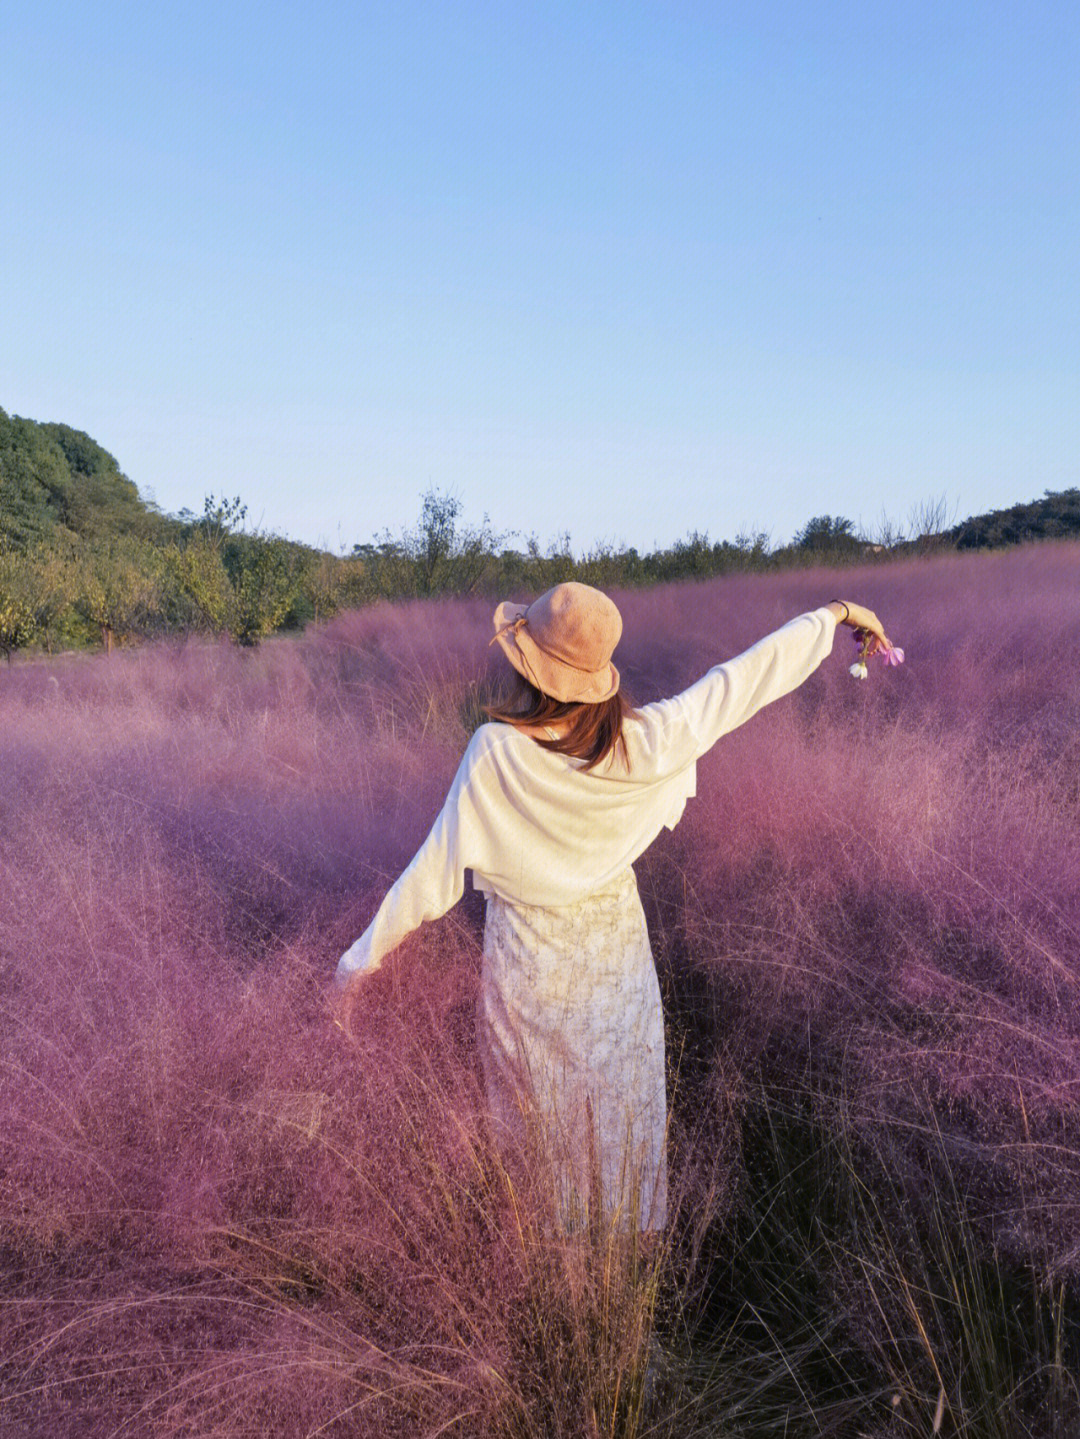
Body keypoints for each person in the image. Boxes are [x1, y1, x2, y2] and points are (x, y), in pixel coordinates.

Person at [334, 584, 894, 1235]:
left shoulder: (496, 752)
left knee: (537, 1140)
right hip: (618, 970)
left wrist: (355, 967)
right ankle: (618, 1290)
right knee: (620, 1134)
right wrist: (836, 615)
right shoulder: (647, 741)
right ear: (598, 675)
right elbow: (740, 682)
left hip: (529, 979)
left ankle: (560, 1298)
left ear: (528, 665)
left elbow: (429, 879)